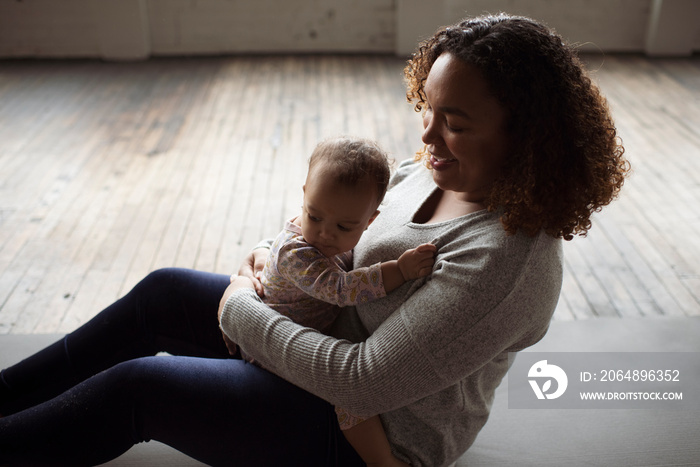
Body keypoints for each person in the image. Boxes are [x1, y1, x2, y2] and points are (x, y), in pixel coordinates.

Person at [0, 13, 629, 467]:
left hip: (367, 429)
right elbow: (337, 239)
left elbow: (361, 383)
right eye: (427, 110)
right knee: (162, 291)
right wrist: (272, 262)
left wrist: (241, 309)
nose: (428, 137)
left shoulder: (505, 262)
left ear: (525, 137)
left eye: (455, 123)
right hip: (323, 334)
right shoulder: (429, 171)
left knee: (141, 387)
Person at [230, 135, 436, 467]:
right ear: (304, 197)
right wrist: (398, 269)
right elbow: (341, 288)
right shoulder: (296, 252)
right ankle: (383, 462)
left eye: (344, 226)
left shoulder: (333, 227)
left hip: (308, 333)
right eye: (314, 216)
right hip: (268, 350)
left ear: (370, 221)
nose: (325, 234)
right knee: (349, 402)